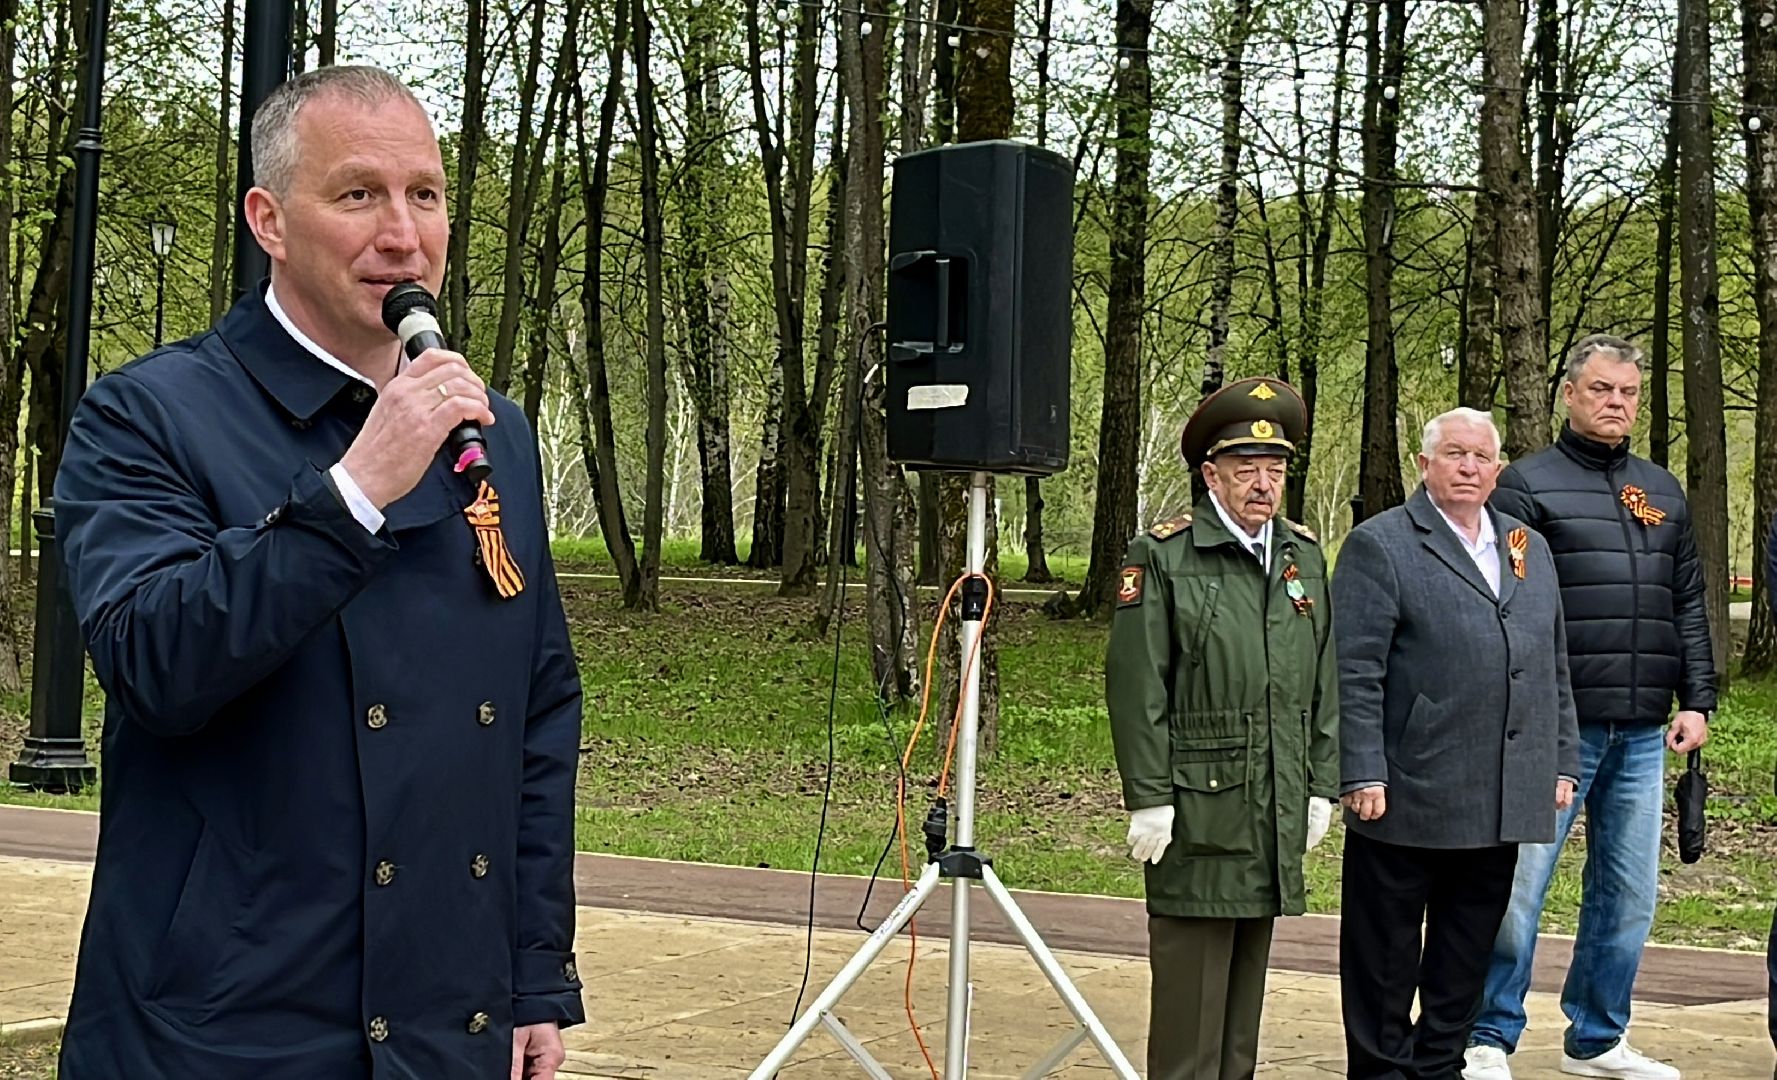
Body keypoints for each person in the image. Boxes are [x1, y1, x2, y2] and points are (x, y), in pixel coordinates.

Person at [52, 66, 584, 1079]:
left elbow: (537, 714)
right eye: (358, 195)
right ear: (269, 219)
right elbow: (153, 663)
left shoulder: (493, 433)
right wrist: (353, 493)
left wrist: (532, 980)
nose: (403, 233)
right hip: (222, 1020)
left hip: (445, 1019)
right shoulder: (148, 416)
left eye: (424, 194)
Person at [1464, 335, 1716, 1080]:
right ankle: (1486, 1034)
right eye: (1602, 389)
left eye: (1628, 393)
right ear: (1568, 393)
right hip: (1551, 728)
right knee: (1516, 892)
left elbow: (1689, 603)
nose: (1616, 404)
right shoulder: (1523, 486)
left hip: (1642, 728)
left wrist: (1696, 699)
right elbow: (1503, 605)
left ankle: (1597, 1038)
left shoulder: (1662, 491)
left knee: (1628, 896)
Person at [1333, 408, 1580, 1080]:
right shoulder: (1380, 545)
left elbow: (1551, 663)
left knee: (1464, 954)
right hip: (1406, 793)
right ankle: (1381, 1072)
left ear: (1497, 469)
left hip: (1498, 794)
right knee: (1384, 959)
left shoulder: (1526, 546)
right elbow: (1353, 670)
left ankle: (1438, 1067)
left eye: (1480, 457)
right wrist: (1360, 770)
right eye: (1453, 454)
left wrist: (1560, 759)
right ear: (1424, 463)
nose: (1468, 468)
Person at [1106, 376, 1340, 1080]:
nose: (1263, 484)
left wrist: (1318, 784)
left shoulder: (1299, 557)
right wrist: (1148, 795)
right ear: (1211, 475)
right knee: (1189, 1015)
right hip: (1197, 807)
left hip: (1269, 801)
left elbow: (1322, 678)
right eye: (1246, 470)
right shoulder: (1164, 555)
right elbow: (1135, 684)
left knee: (1241, 1008)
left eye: (1274, 470)